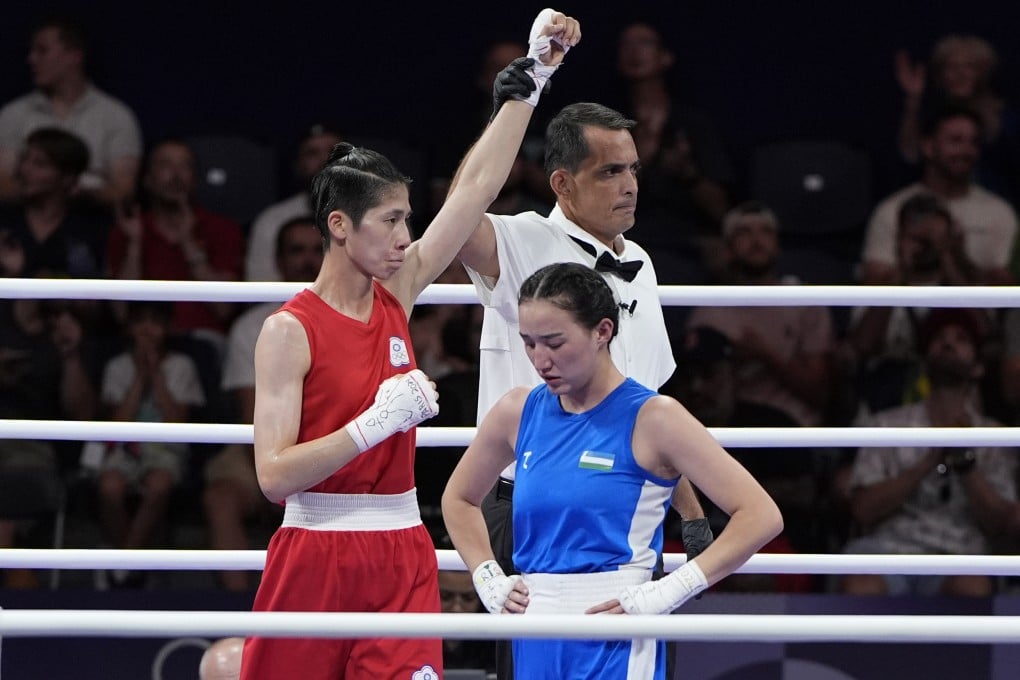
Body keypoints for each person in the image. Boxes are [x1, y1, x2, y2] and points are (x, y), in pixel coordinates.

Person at [238, 10, 580, 679]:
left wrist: (529, 86)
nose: (404, 238)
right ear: (340, 226)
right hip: (312, 549)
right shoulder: (288, 330)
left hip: (401, 549)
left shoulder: (397, 293)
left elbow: (475, 190)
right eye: (390, 222)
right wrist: (373, 426)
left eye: (407, 221)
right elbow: (273, 476)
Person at [455, 99, 712, 679]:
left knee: (628, 659)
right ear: (562, 183)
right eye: (610, 172)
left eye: (633, 170)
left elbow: (650, 410)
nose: (629, 186)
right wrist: (513, 104)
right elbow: (460, 210)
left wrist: (690, 513)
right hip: (529, 499)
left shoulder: (639, 262)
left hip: (623, 507)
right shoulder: (521, 239)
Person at [442, 262, 782, 680]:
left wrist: (671, 589)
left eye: (554, 342)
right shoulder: (517, 410)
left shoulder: (655, 417)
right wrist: (487, 576)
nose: (539, 359)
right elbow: (458, 498)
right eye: (529, 343)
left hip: (618, 631)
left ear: (602, 331)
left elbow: (761, 515)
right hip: (532, 628)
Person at [841, 308, 1016, 597]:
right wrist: (931, 458)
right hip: (889, 550)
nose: (948, 343)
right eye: (939, 338)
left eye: (961, 339)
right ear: (924, 361)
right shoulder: (886, 424)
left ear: (978, 367)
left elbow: (1002, 522)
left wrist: (965, 463)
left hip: (962, 553)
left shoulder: (995, 436)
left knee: (971, 589)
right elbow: (862, 510)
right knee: (862, 584)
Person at [205, 216, 322, 592]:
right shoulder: (253, 326)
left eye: (315, 249)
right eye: (295, 250)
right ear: (277, 260)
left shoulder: (357, 313)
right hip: (262, 448)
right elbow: (252, 414)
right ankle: (240, 615)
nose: (306, 260)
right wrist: (284, 469)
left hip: (331, 446)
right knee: (221, 497)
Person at [94, 300, 205, 588]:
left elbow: (178, 424)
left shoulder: (182, 365)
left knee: (159, 484)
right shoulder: (116, 366)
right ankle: (131, 564)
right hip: (124, 448)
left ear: (168, 328)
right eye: (140, 322)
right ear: (129, 327)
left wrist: (155, 375)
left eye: (155, 322)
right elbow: (116, 427)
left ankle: (123, 564)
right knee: (109, 485)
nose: (147, 330)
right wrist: (139, 376)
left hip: (166, 448)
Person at [106, 138, 245, 347]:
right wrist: (135, 245)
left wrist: (188, 242)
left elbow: (223, 308)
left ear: (195, 179)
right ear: (147, 179)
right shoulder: (127, 231)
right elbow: (121, 311)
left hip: (202, 340)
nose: (176, 175)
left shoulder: (222, 229)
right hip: (140, 340)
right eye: (165, 165)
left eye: (185, 166)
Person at [860, 106, 1018, 286]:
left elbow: (1006, 291)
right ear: (928, 146)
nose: (966, 150)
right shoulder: (891, 209)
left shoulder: (1000, 212)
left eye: (974, 142)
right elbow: (873, 285)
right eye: (955, 140)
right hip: (904, 312)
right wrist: (914, 253)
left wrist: (956, 257)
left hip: (973, 312)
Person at [0, 16, 142, 207]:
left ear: (74, 56)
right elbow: (3, 185)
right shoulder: (13, 114)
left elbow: (123, 191)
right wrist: (48, 192)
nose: (31, 59)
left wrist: (78, 194)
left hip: (94, 222)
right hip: (27, 221)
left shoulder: (116, 116)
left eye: (42, 50)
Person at [0, 127, 109, 278]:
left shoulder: (91, 226)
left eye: (40, 164)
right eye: (24, 159)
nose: (24, 169)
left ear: (67, 177)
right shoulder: (5, 219)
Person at [244, 123, 342, 281]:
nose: (325, 160)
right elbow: (261, 286)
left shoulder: (374, 217)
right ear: (298, 165)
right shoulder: (272, 220)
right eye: (312, 153)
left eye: (334, 152)